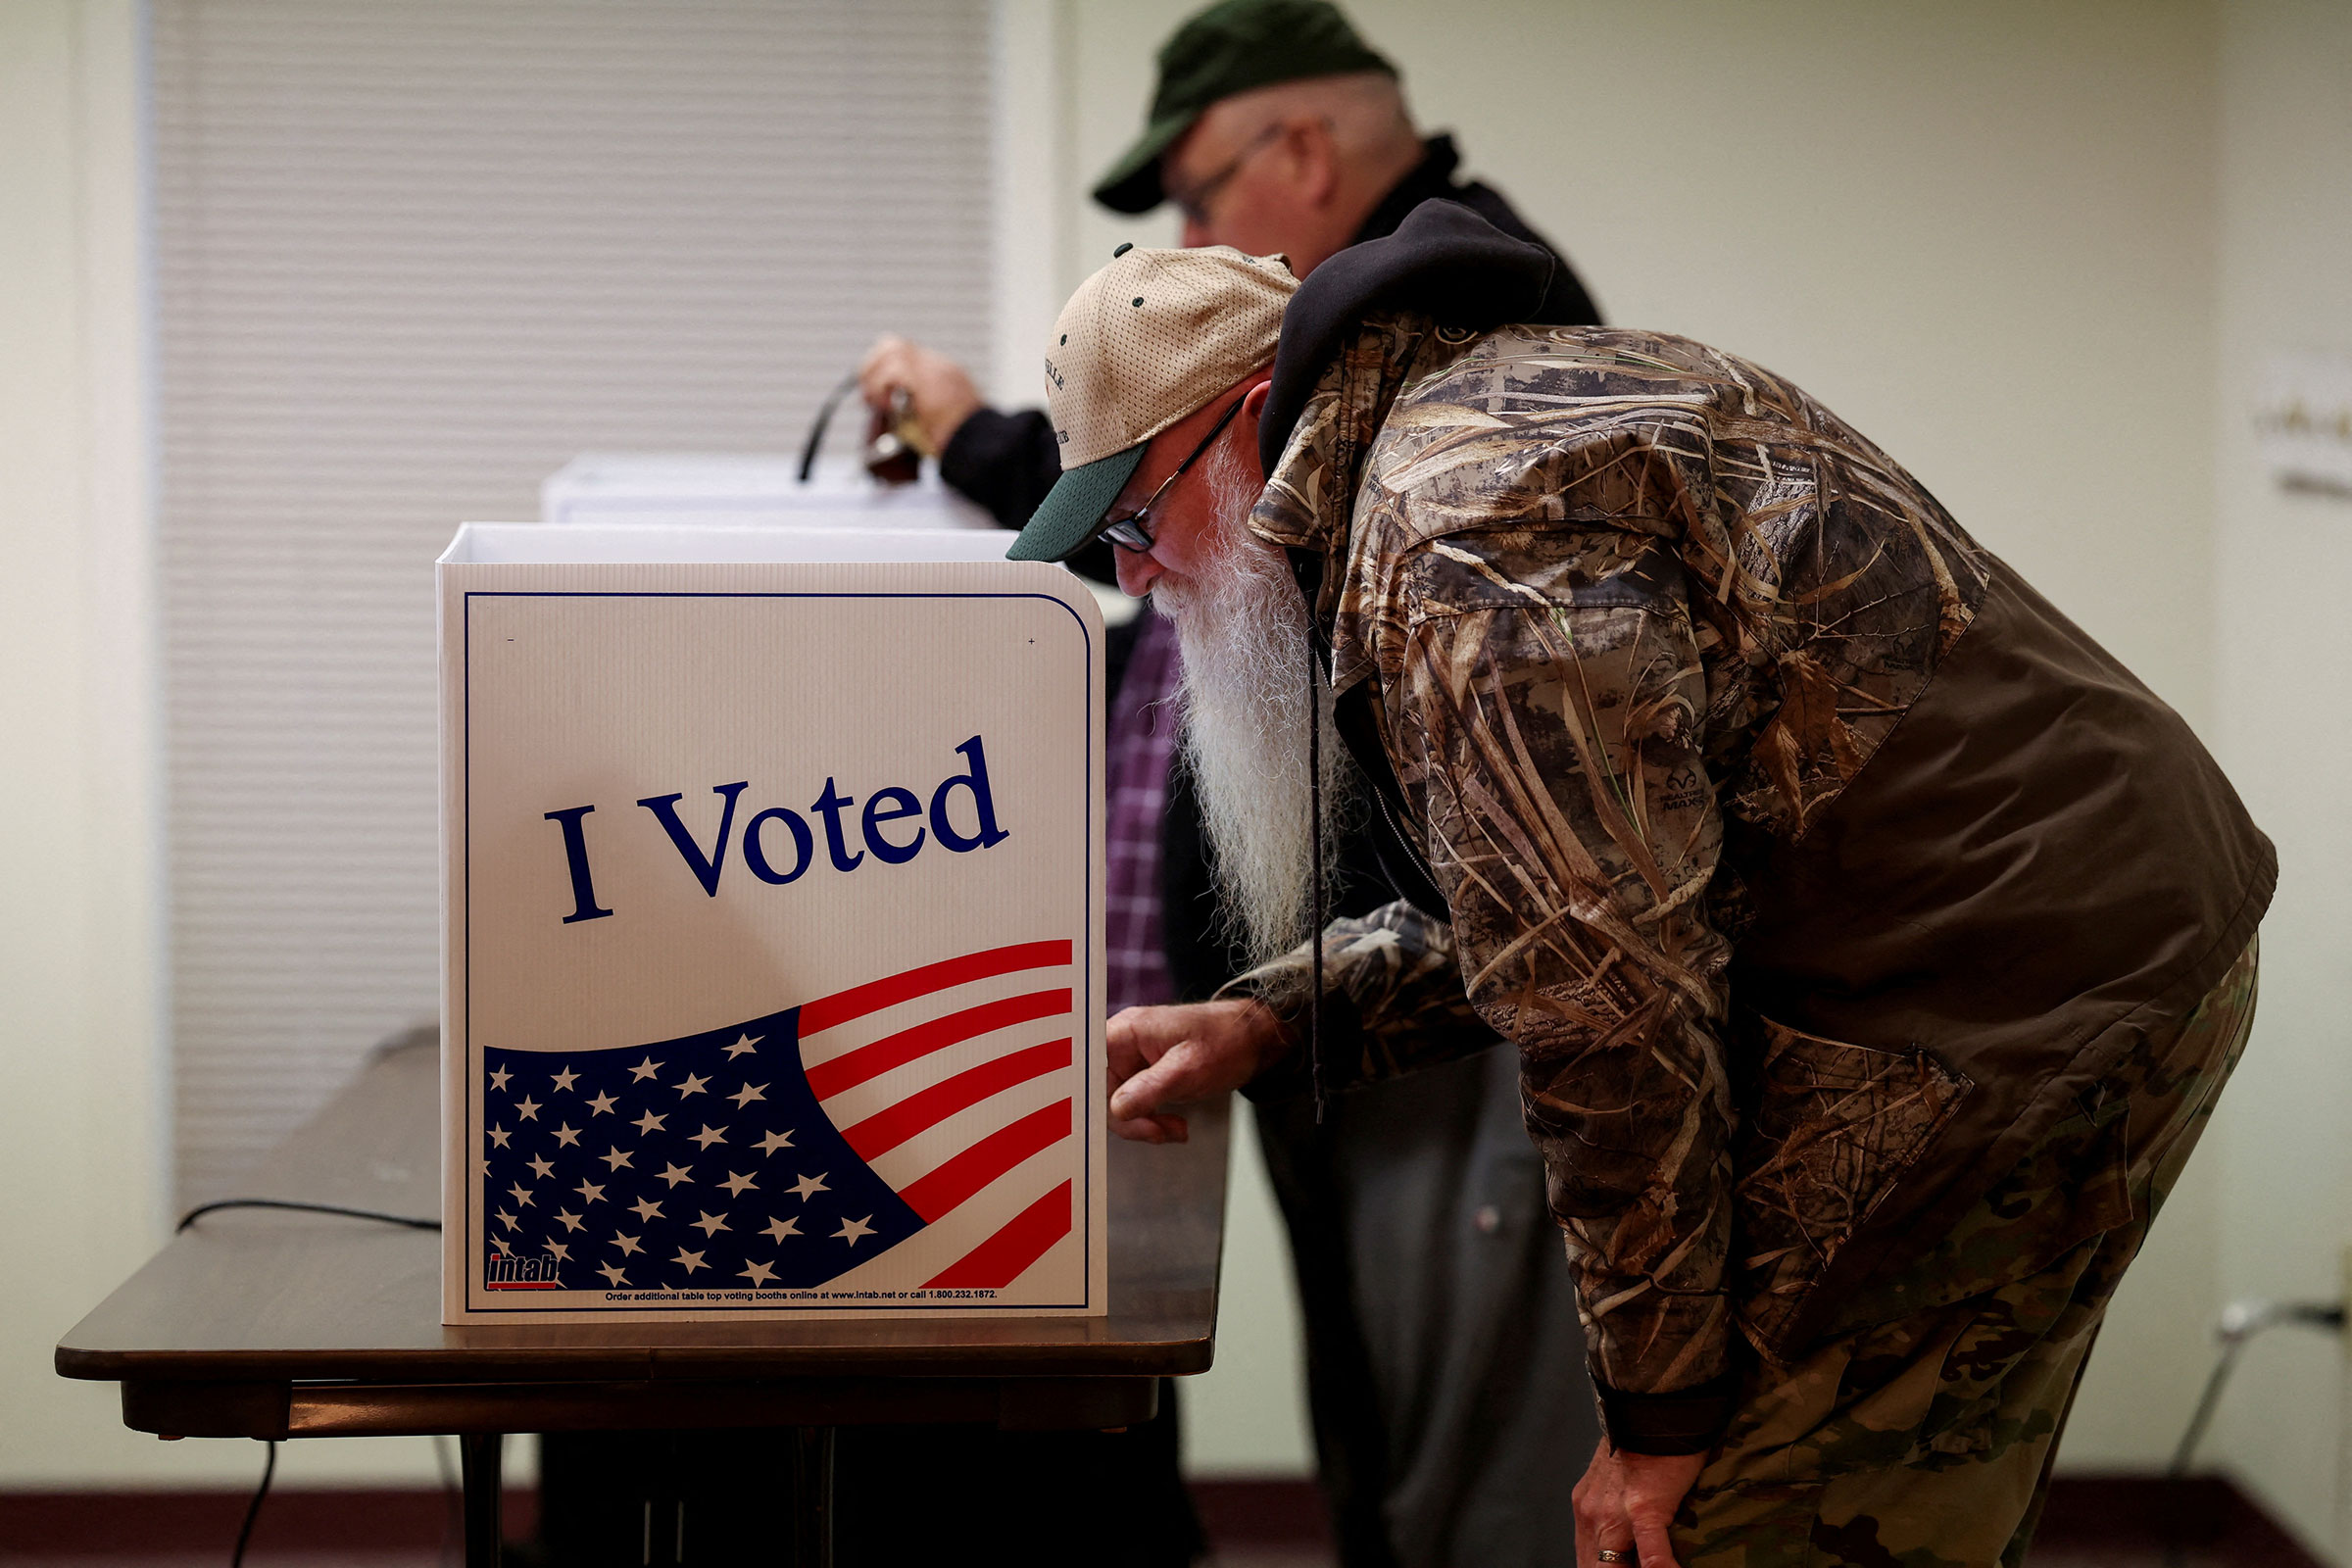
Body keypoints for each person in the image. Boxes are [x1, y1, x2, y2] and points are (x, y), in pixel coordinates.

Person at [1003, 214, 2274, 1568]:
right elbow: (1572, 884)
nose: (1134, 575)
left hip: (2004, 987)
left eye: (1137, 518)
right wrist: (1273, 1018)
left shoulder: (1459, 531)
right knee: (1873, 1496)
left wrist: (1658, 1420)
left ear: (1255, 419)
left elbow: (1604, 995)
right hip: (2062, 933)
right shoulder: (1487, 414)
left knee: (1735, 1525)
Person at [859, 4, 1605, 1564]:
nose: (1194, 239)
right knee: (1374, 1383)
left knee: (1449, 1416)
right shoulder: (1334, 356)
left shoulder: (1453, 332)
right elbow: (1183, 521)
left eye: (1201, 199)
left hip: (1430, 994)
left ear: (1307, 152)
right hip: (1321, 983)